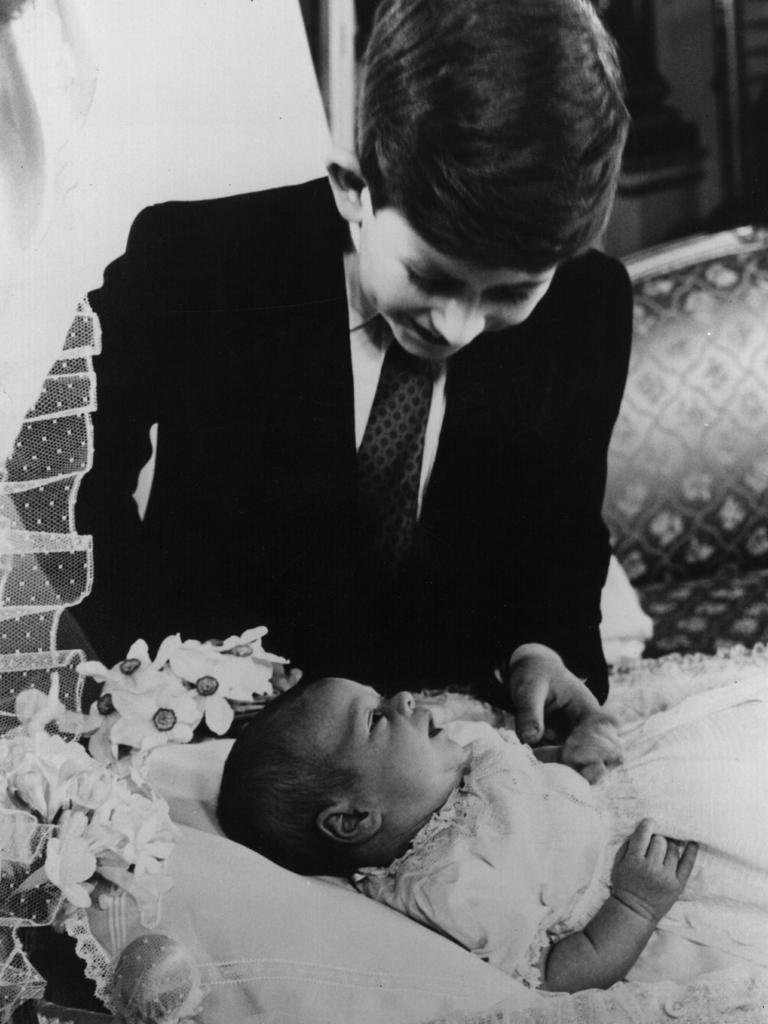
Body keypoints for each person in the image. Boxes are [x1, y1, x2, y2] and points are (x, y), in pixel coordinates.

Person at [74, 0, 631, 754]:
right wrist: (149, 665)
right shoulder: (197, 260)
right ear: (352, 188)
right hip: (208, 739)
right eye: (428, 275)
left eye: (510, 293)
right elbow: (65, 470)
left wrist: (540, 647)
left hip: (435, 743)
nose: (456, 328)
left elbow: (563, 532)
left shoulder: (587, 308)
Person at [217, 674, 768, 994]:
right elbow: (553, 975)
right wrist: (635, 905)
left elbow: (523, 771)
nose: (405, 698)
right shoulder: (452, 885)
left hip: (625, 790)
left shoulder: (449, 761)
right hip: (636, 872)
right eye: (377, 719)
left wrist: (567, 758)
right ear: (353, 819)